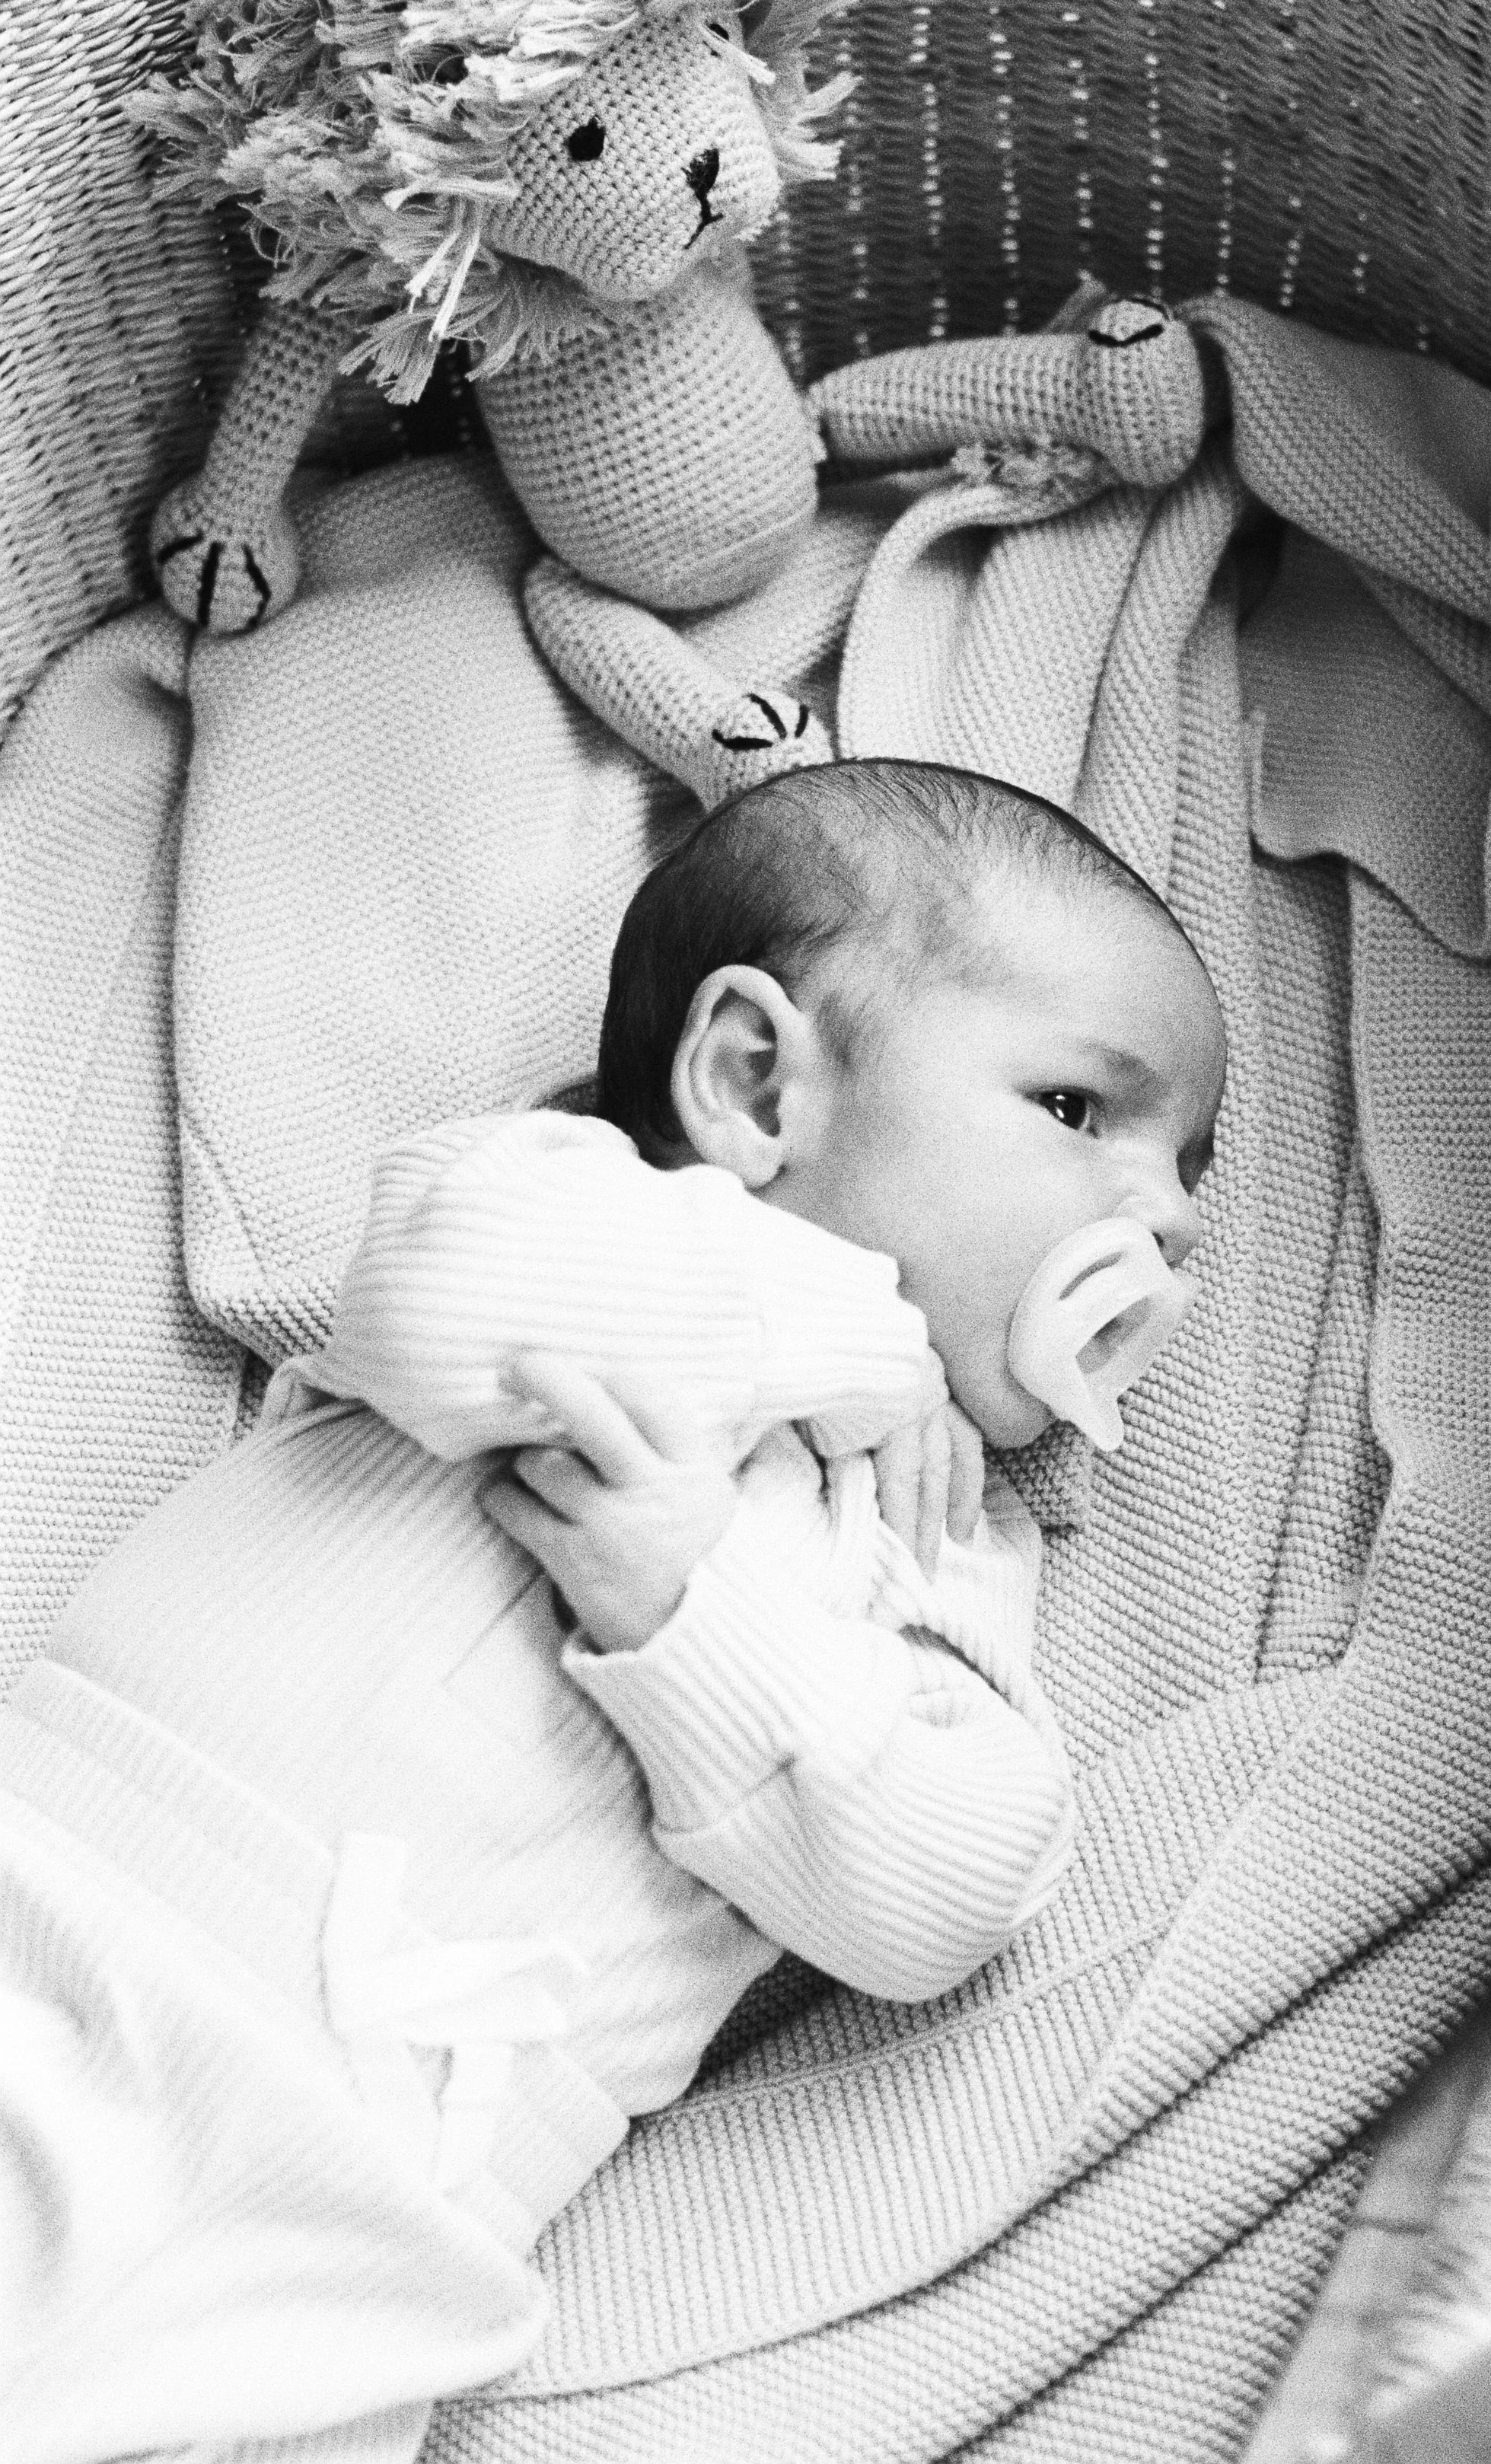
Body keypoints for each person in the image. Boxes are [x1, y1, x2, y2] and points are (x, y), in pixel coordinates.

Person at [0, 758, 1226, 2463]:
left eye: (1191, 1171)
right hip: (68, 1914)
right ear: (749, 1080)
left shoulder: (934, 1549)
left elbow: (958, 1881)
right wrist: (862, 1338)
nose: (1163, 1216)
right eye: (1086, 1113)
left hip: (380, 2184)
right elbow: (441, 1310)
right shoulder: (554, 1208)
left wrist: (697, 1612)